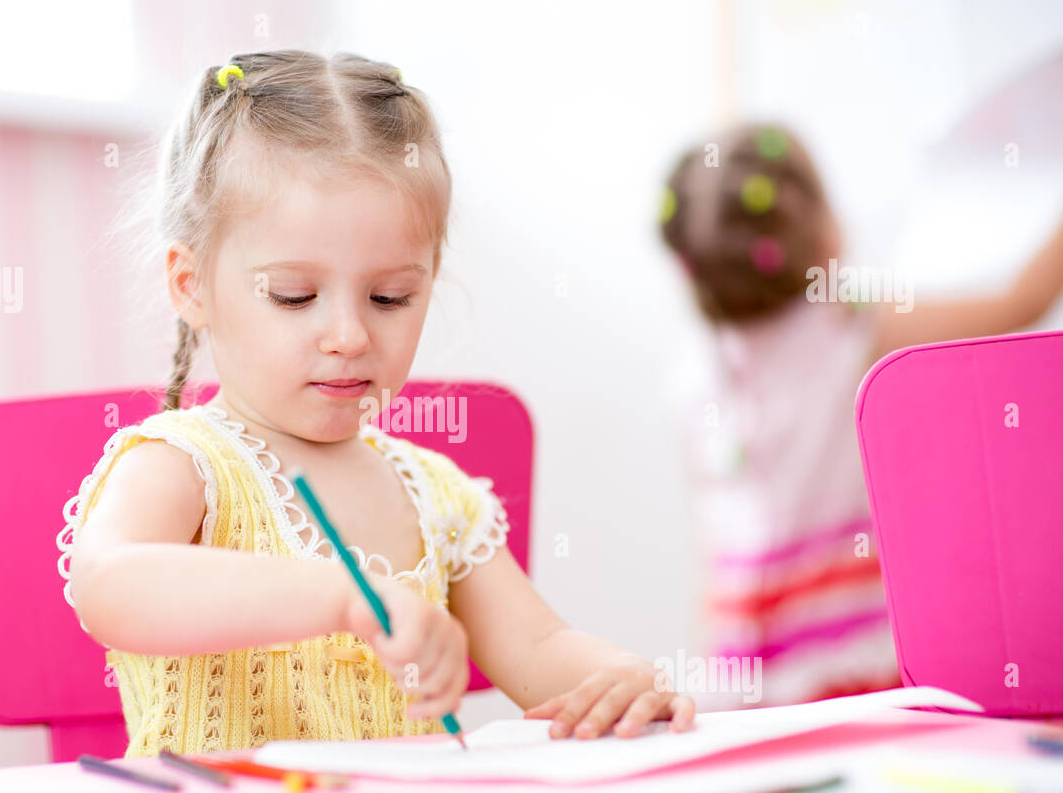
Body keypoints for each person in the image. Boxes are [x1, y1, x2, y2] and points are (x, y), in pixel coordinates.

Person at [56, 50, 695, 756]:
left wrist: (617, 680)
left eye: (391, 297)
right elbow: (110, 585)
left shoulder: (438, 497)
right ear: (192, 284)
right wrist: (340, 597)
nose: (351, 335)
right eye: (295, 296)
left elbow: (540, 647)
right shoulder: (185, 467)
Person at [659, 122, 1063, 708]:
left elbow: (713, 552)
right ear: (824, 240)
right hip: (856, 665)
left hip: (736, 683)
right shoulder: (850, 329)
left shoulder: (691, 377)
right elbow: (1020, 302)